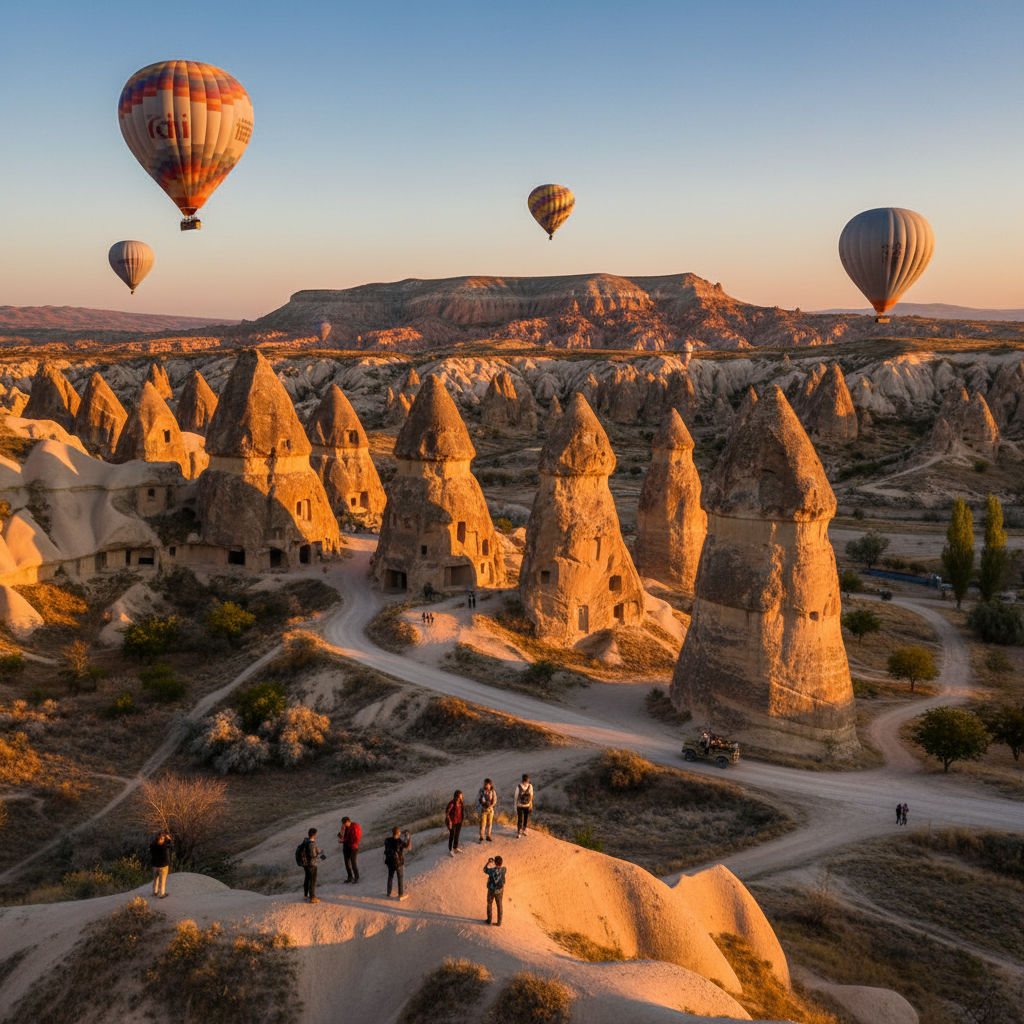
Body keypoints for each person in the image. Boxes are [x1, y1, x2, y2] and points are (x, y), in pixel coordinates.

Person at [383, 826, 412, 900]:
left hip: (389, 862)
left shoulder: (387, 840)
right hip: (398, 863)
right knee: (400, 878)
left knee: (390, 877)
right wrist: (408, 836)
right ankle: (400, 894)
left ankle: (388, 892)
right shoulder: (399, 841)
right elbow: (407, 846)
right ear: (398, 833)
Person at [300, 827, 325, 903]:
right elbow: (313, 854)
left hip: (305, 864)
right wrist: (320, 856)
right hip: (312, 864)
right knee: (313, 880)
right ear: (315, 834)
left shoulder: (305, 841)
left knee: (307, 878)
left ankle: (306, 894)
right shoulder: (312, 844)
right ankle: (312, 896)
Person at [149, 831, 173, 899]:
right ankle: (161, 894)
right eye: (162, 839)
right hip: (163, 866)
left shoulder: (152, 845)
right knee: (162, 881)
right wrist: (169, 839)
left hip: (155, 865)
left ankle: (155, 892)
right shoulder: (163, 847)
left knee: (155, 879)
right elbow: (171, 846)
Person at [484, 855, 506, 925]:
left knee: (489, 904)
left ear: (495, 863)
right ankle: (499, 922)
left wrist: (489, 862)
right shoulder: (504, 869)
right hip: (499, 890)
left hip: (491, 890)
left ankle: (489, 920)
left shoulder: (492, 871)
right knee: (499, 905)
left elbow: (485, 869)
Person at [339, 816, 361, 883]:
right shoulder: (345, 827)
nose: (344, 825)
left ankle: (356, 877)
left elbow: (355, 839)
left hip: (353, 847)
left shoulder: (355, 827)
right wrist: (341, 836)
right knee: (347, 863)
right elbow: (343, 835)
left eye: (344, 824)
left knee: (353, 863)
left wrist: (343, 840)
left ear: (348, 822)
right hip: (346, 846)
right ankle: (350, 877)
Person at [446, 791, 465, 856]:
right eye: (460, 796)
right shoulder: (452, 803)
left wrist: (462, 819)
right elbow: (447, 813)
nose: (461, 797)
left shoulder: (461, 803)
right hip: (453, 821)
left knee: (457, 834)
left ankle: (455, 847)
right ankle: (450, 849)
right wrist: (450, 821)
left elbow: (462, 811)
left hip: (459, 821)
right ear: (456, 796)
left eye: (461, 796)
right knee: (452, 835)